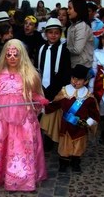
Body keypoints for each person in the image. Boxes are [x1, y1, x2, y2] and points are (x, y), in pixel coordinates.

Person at [0, 39, 49, 191]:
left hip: (23, 116)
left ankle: (23, 178)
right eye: (9, 55)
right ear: (4, 55)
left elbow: (34, 94)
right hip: (1, 117)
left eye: (15, 55)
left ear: (21, 56)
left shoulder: (28, 75)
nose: (12, 58)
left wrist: (40, 99)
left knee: (22, 145)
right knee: (0, 144)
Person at [45, 64, 100, 173]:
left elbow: (94, 114)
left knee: (78, 147)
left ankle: (76, 163)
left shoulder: (88, 97)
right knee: (64, 146)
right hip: (65, 127)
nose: (75, 81)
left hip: (80, 127)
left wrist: (88, 123)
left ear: (85, 82)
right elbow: (55, 104)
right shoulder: (65, 92)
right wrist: (43, 108)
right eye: (73, 78)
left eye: (79, 80)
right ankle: (63, 164)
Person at [36, 18, 71, 151]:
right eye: (50, 32)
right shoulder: (41, 48)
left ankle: (52, 138)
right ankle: (43, 138)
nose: (53, 35)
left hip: (56, 86)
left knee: (54, 115)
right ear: (46, 33)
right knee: (42, 114)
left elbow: (66, 71)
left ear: (60, 33)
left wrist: (63, 89)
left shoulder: (64, 50)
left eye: (56, 33)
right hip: (43, 88)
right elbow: (38, 68)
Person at [89, 25, 104, 144]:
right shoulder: (96, 53)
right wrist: (91, 89)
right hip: (100, 86)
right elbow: (94, 71)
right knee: (101, 109)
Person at [67, 0, 94, 68]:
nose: (67, 11)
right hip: (75, 64)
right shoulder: (73, 26)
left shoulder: (82, 26)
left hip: (82, 66)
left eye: (70, 8)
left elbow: (77, 50)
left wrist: (63, 48)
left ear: (78, 9)